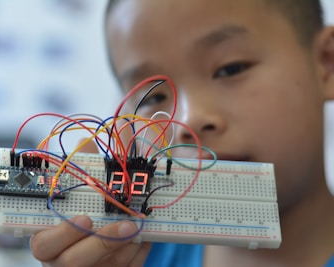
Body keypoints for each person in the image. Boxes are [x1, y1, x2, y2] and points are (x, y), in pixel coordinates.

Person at [30, 0, 334, 266]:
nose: (189, 121)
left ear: (326, 63)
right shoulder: (121, 256)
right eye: (153, 97)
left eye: (231, 68)